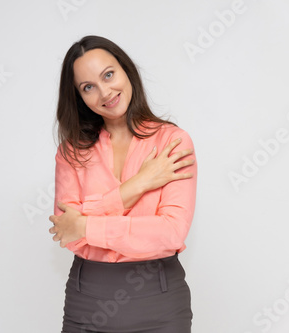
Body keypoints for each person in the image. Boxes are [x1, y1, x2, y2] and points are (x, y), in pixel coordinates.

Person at [49, 35, 198, 333]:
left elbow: (170, 233)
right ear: (79, 97)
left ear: (126, 70)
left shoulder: (172, 142)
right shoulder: (71, 152)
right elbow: (69, 235)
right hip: (87, 301)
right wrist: (137, 185)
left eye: (108, 74)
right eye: (88, 87)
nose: (105, 92)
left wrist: (87, 224)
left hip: (160, 301)